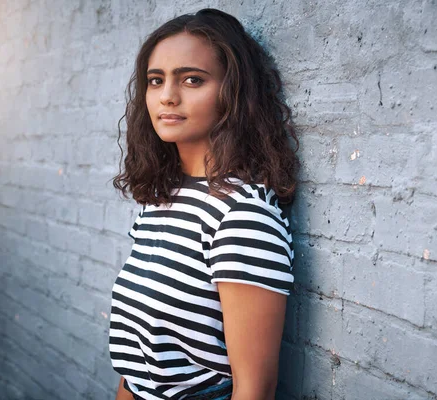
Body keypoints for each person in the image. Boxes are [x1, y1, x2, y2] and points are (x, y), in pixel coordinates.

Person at [110, 8, 300, 400]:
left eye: (192, 79)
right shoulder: (161, 198)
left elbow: (255, 389)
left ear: (232, 93)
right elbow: (139, 366)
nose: (167, 96)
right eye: (155, 80)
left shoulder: (242, 215)